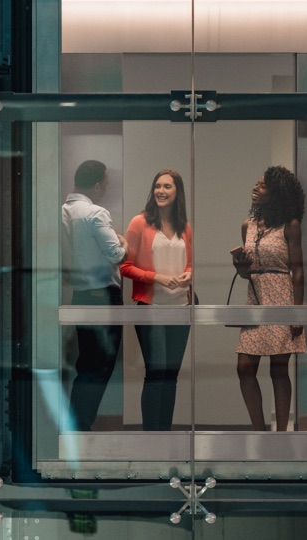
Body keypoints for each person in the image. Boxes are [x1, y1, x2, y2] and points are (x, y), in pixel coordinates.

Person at [232, 165, 306, 431]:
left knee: (278, 369)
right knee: (244, 368)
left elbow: (297, 270)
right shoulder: (248, 225)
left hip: (282, 295)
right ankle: (260, 432)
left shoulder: (290, 225)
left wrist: (298, 313)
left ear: (276, 194)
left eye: (262, 185)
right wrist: (239, 264)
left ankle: (281, 436)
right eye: (256, 183)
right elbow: (245, 274)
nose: (255, 188)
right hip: (255, 298)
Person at [120, 169, 193, 431]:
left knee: (171, 375)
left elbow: (191, 265)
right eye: (157, 186)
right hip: (151, 308)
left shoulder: (185, 227)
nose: (161, 191)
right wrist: (156, 277)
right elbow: (125, 267)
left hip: (181, 309)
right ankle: (151, 437)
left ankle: (164, 435)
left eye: (167, 187)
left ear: (177, 192)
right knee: (156, 372)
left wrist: (188, 275)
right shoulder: (139, 223)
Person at [62, 160, 128, 431]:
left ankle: (76, 425)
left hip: (79, 294)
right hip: (103, 294)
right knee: (100, 365)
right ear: (98, 184)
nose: (106, 188)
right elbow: (116, 254)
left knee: (86, 363)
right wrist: (123, 240)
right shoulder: (95, 213)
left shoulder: (62, 211)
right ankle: (80, 425)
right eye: (106, 183)